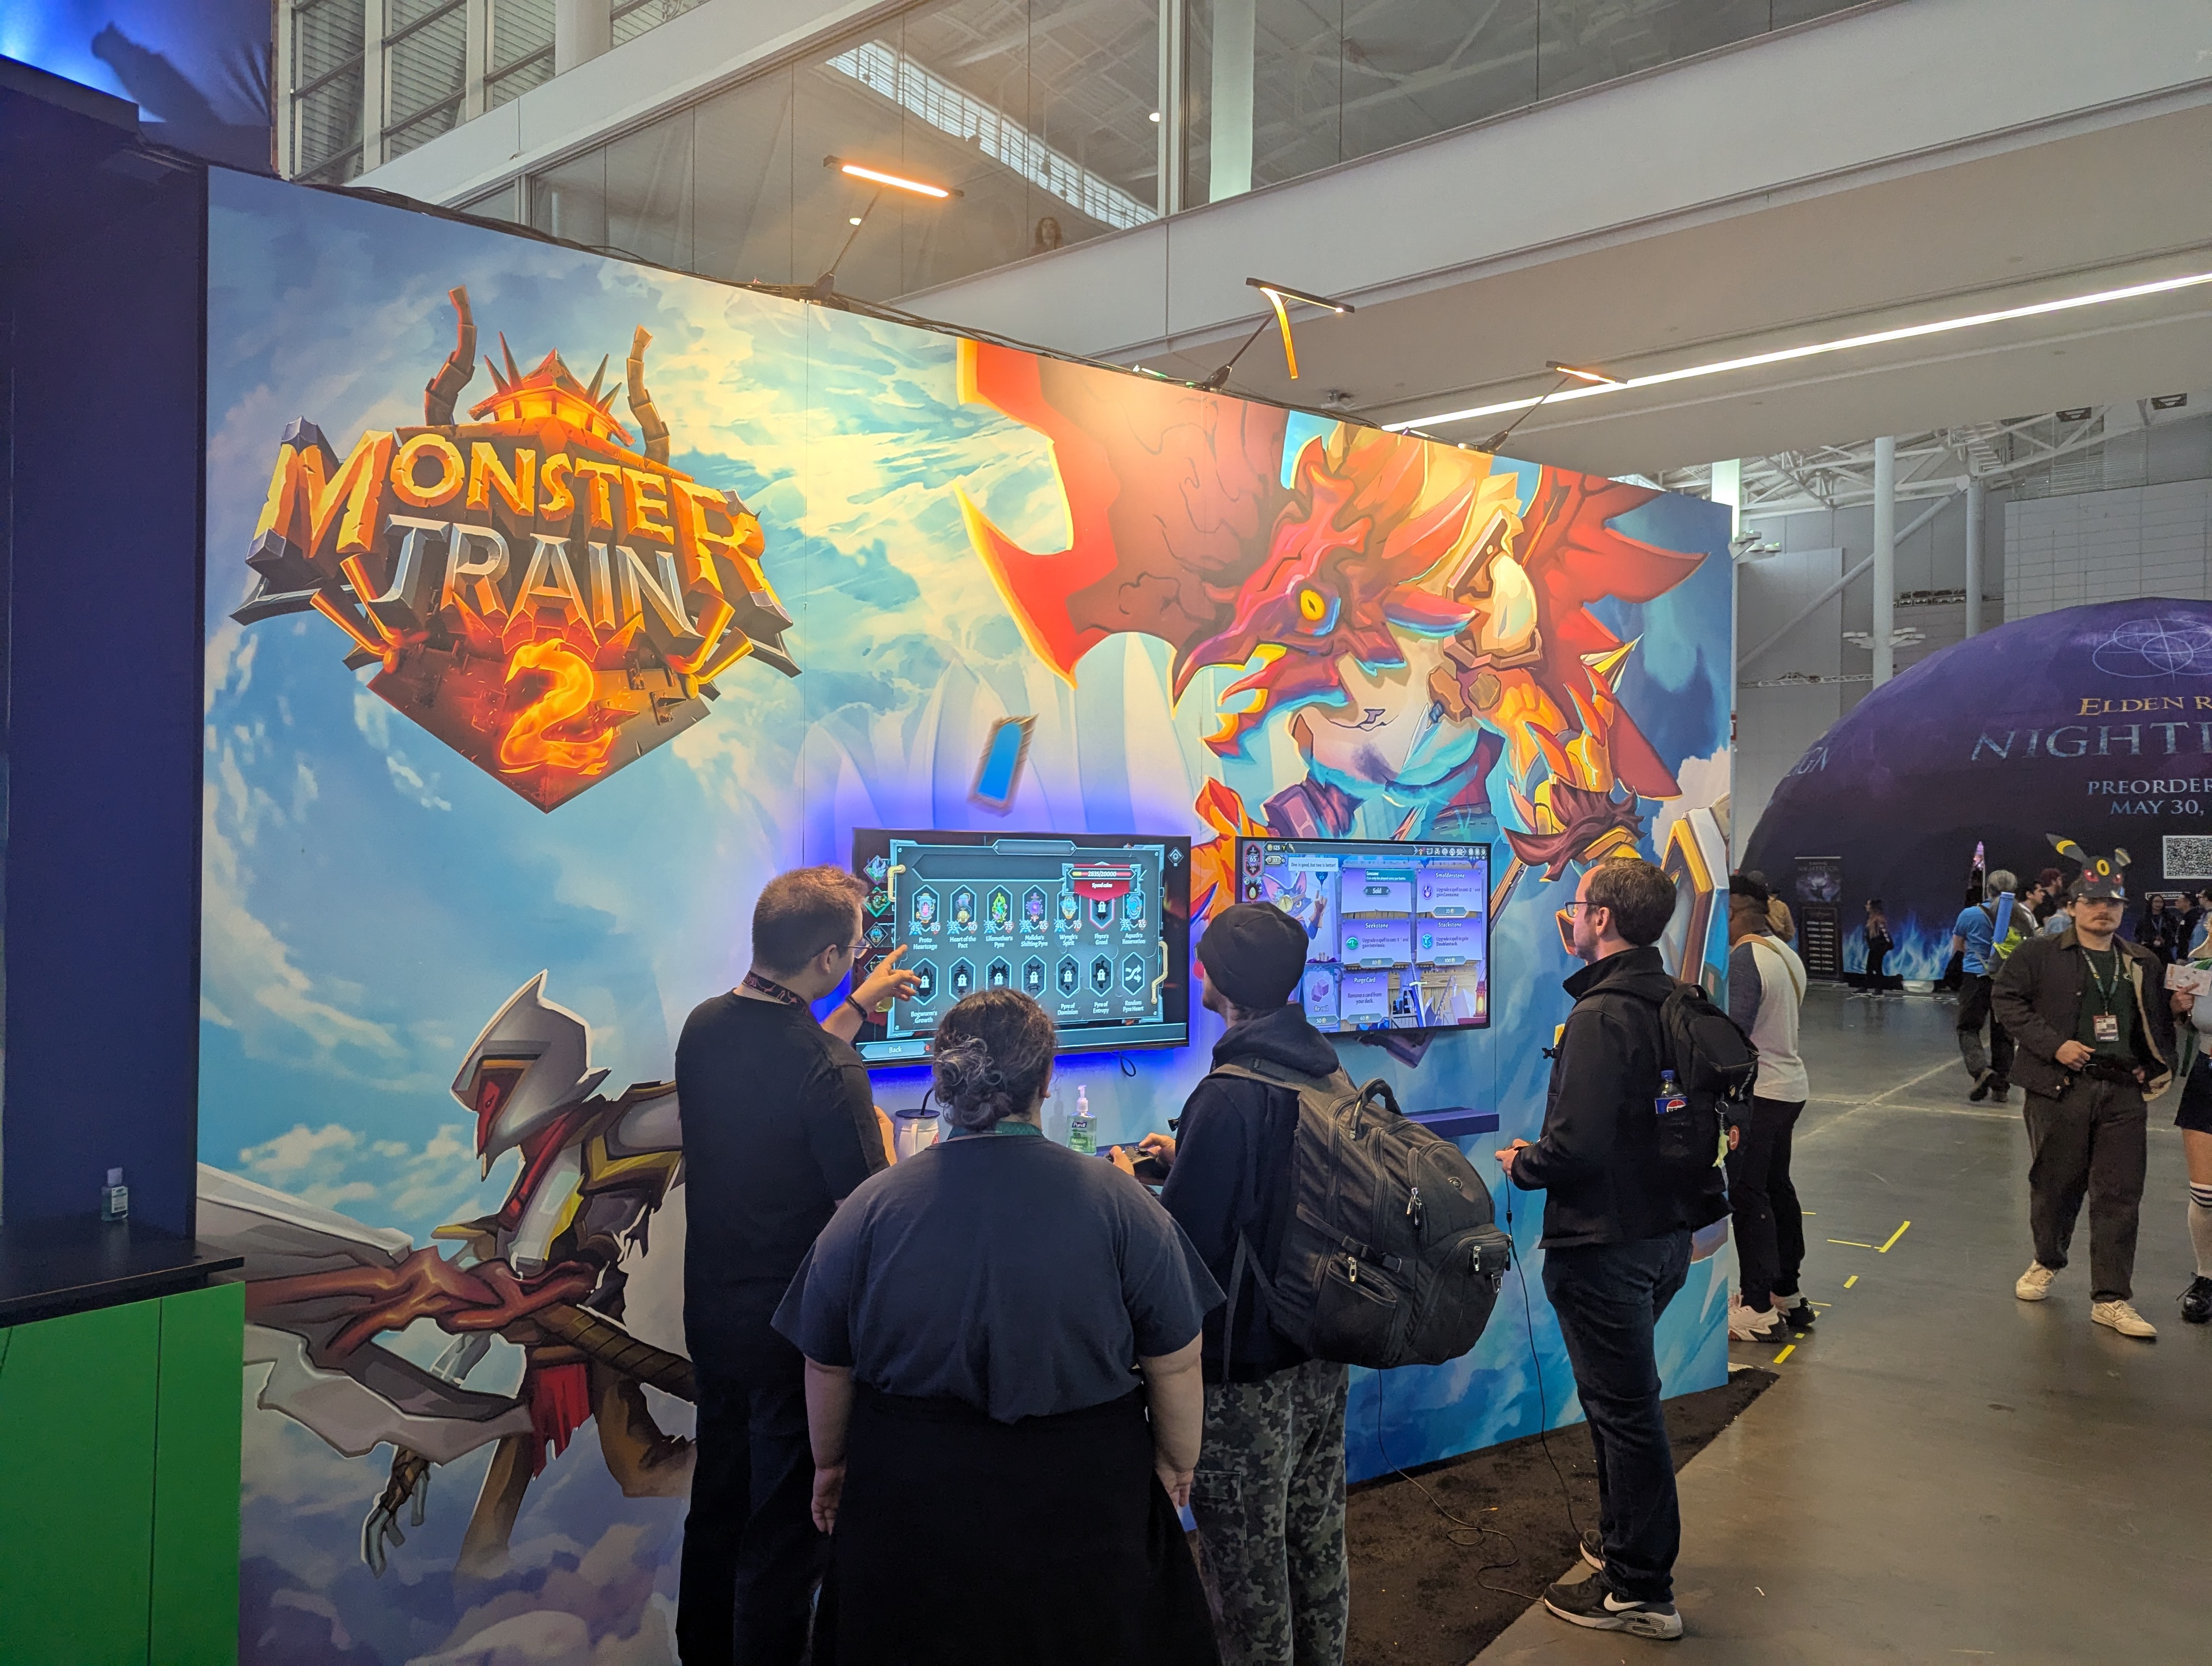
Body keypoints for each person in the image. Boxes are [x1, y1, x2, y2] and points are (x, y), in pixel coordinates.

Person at [773, 989, 1224, 1666]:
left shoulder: (869, 1207)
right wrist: (1176, 1462)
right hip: (1085, 1503)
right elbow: (1177, 1358)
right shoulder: (1122, 1202)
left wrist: (832, 1465)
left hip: (910, 1503)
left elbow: (825, 1361)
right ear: (1046, 1080)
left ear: (941, 1075)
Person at [674, 866, 918, 1666]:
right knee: (783, 1538)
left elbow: (785, 1064)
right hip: (793, 1340)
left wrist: (856, 1007)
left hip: (714, 1318)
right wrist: (895, 1149)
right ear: (827, 958)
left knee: (718, 1510)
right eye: (854, 949)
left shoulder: (705, 1027)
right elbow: (867, 1214)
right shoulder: (832, 1072)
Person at [1495, 856, 1727, 1642]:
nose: (1569, 913)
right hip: (1666, 1237)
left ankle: (1641, 1590)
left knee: (1626, 1414)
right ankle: (1624, 1542)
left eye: (1578, 902)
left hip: (1605, 1247)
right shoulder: (1675, 999)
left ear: (1601, 919)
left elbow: (1578, 1147)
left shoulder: (1600, 1016)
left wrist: (1523, 1163)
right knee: (1622, 1404)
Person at [1115, 902, 1351, 1666]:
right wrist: (1188, 1152)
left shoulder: (1227, 1094)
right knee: (1316, 1541)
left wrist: (1125, 1185)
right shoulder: (1326, 1068)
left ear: (1217, 981)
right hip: (1320, 1352)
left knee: (1247, 1571)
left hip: (1245, 1375)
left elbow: (1185, 1247)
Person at [1992, 856, 2183, 1341]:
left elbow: (2156, 1022)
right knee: (2054, 1186)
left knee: (2119, 1194)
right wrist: (2053, 1045)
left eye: (2112, 903)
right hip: (2059, 1089)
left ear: (2123, 909)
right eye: (2094, 902)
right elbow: (2006, 1000)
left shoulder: (2141, 961)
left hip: (2122, 1093)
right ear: (2074, 906)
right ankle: (2047, 1260)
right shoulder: (2038, 954)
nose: (2103, 910)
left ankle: (2111, 1298)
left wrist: (2152, 1062)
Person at [1726, 876, 1813, 1342]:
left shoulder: (1746, 957)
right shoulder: (1784, 953)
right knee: (1777, 1187)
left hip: (1760, 1093)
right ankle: (1788, 1294)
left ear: (1735, 911)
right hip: (1790, 1087)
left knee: (1749, 1194)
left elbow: (1734, 1036)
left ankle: (1757, 1307)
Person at [1951, 869, 2018, 1103]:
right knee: (2004, 1033)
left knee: (1968, 1028)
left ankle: (1981, 1071)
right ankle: (2002, 1088)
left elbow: (1958, 946)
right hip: (2007, 981)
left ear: (1988, 889)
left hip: (1976, 978)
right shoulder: (2021, 916)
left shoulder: (1970, 914)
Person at [2176, 969, 2212, 1324]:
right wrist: (2179, 1009)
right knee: (2205, 1194)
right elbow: (2186, 1024)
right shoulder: (2202, 970)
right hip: (2207, 1077)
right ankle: (2207, 1277)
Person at [1863, 898, 1895, 995]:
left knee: (1877, 967)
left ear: (1873, 907)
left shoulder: (1879, 919)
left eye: (1868, 905)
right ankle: (1865, 987)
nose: (1866, 906)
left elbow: (1885, 933)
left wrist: (1888, 945)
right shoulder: (1871, 919)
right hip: (1874, 946)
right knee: (1869, 968)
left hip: (1879, 946)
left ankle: (1879, 989)